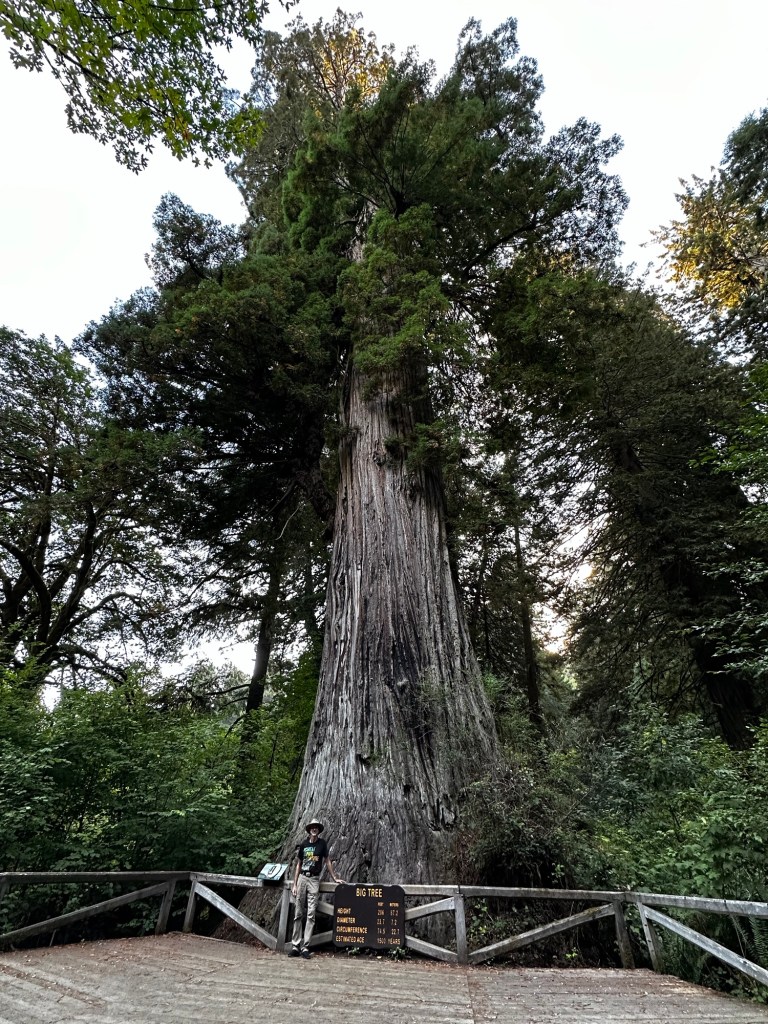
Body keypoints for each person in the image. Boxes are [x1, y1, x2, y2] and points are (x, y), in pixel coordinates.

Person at [289, 818, 343, 958]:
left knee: (311, 913)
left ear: (318, 830)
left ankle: (305, 946)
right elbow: (298, 865)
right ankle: (295, 945)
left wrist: (334, 878)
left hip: (314, 879)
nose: (314, 829)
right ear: (309, 830)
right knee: (298, 913)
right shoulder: (304, 844)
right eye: (312, 827)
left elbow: (327, 861)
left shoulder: (322, 844)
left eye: (316, 827)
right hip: (302, 878)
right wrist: (294, 884)